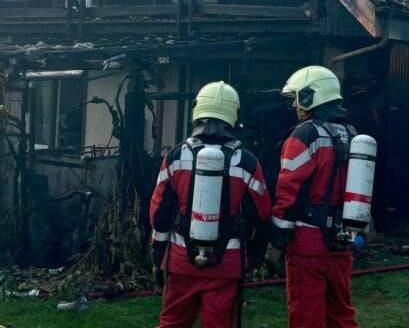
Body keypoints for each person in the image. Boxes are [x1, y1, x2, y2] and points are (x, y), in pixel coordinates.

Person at [150, 81, 270, 328]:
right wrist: (256, 252)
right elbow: (261, 212)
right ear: (233, 114)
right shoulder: (247, 161)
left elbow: (160, 213)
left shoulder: (175, 156)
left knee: (171, 323)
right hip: (227, 262)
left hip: (181, 260)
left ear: (197, 111)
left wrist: (158, 255)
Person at [270, 66, 360, 328]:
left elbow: (289, 189)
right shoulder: (353, 134)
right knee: (341, 314)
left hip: (308, 241)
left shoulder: (305, 134)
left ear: (313, 95)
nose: (295, 104)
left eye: (298, 97)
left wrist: (277, 238)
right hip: (342, 238)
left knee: (306, 316)